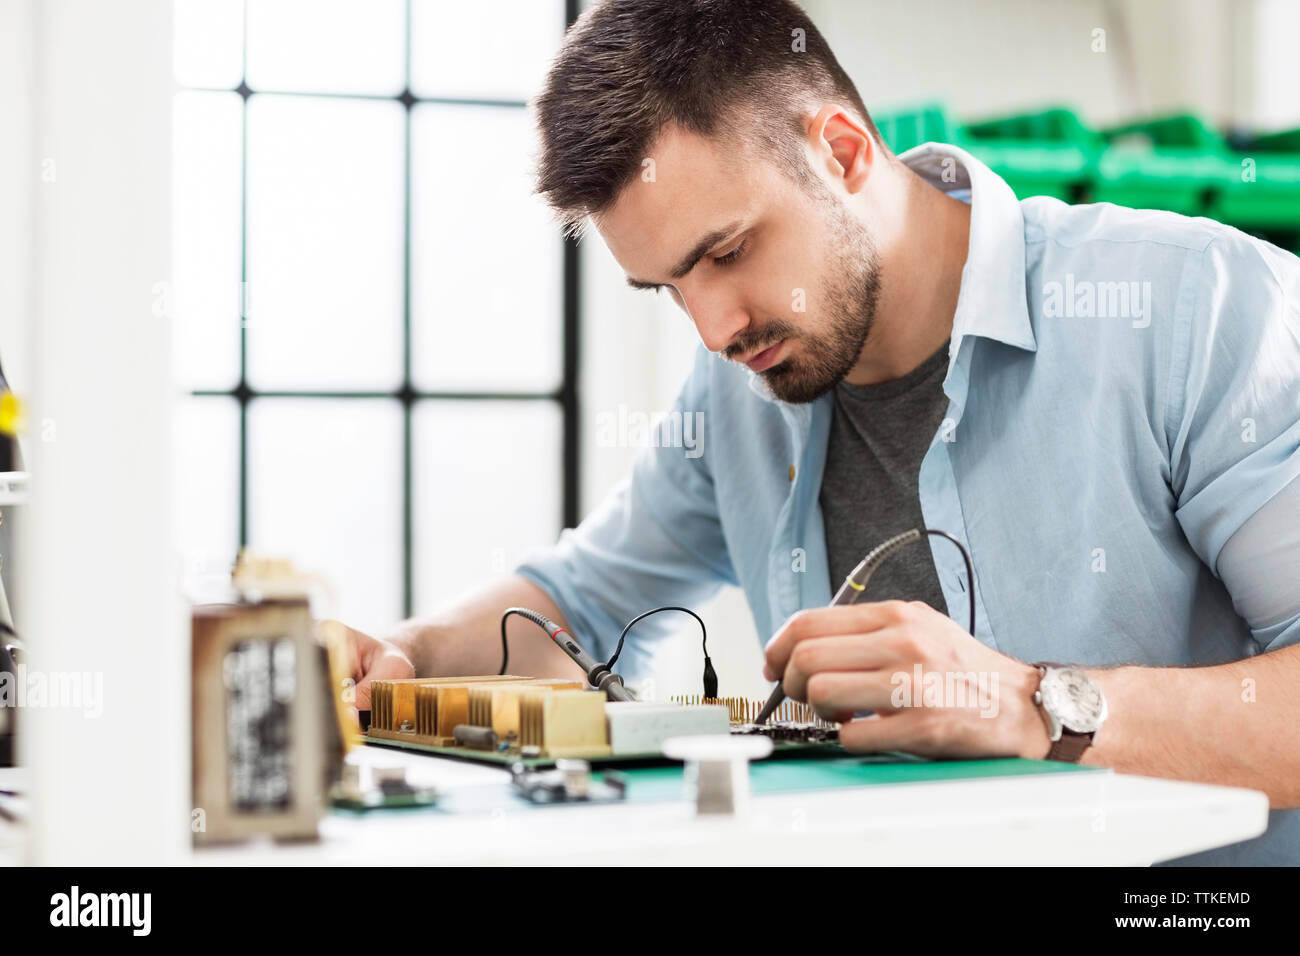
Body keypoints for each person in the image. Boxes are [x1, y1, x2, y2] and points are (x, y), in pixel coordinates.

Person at [337, 0, 1300, 865]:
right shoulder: (736, 397)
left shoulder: (1194, 312)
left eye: (726, 252)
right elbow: (577, 606)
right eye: (670, 288)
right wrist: (402, 660)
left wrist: (1036, 703)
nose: (714, 329)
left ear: (841, 150)